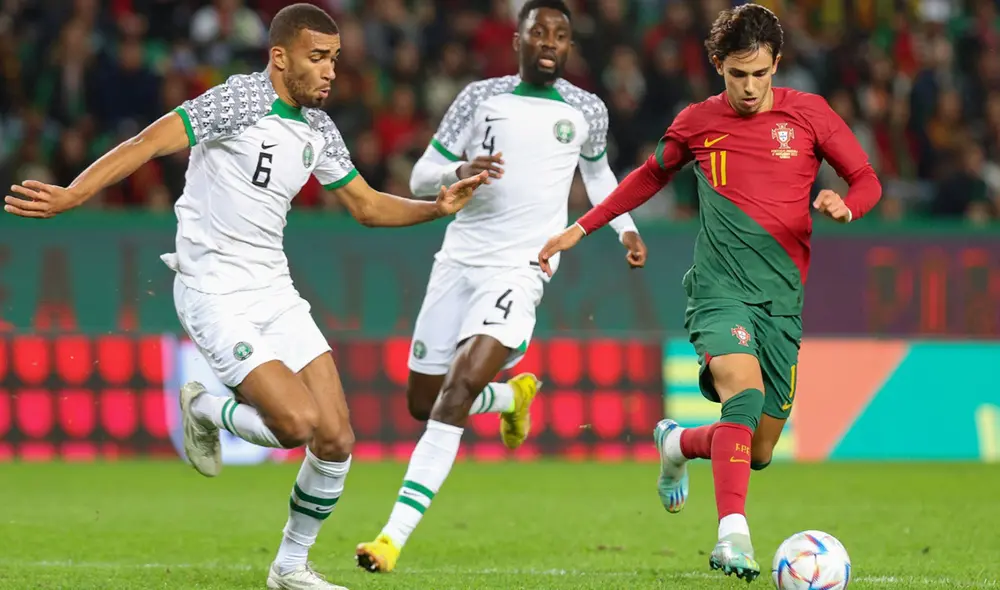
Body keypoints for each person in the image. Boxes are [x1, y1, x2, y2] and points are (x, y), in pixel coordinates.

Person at [4, 4, 487, 589]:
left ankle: (289, 568)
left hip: (273, 289)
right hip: (212, 287)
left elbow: (365, 205)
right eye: (318, 58)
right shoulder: (235, 101)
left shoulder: (318, 129)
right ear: (280, 58)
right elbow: (148, 142)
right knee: (297, 426)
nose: (331, 71)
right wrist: (74, 194)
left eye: (335, 58)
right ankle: (203, 408)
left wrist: (434, 208)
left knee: (336, 440)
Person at [537, 3, 881, 583]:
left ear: (778, 64)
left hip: (782, 302)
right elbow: (651, 174)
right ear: (718, 65)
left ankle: (677, 445)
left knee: (760, 448)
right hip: (719, 291)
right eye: (736, 74)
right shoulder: (698, 121)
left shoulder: (812, 116)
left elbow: (867, 179)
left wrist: (849, 205)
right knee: (741, 398)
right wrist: (581, 227)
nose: (749, 88)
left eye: (760, 74)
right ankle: (732, 537)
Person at [354, 0, 647, 574]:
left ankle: (390, 538)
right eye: (539, 30)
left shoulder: (587, 109)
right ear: (518, 38)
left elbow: (598, 175)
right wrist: (459, 171)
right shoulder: (478, 98)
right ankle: (513, 396)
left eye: (561, 35)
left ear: (569, 46)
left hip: (522, 267)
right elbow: (420, 175)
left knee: (458, 388)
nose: (549, 41)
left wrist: (626, 229)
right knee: (424, 402)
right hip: (459, 259)